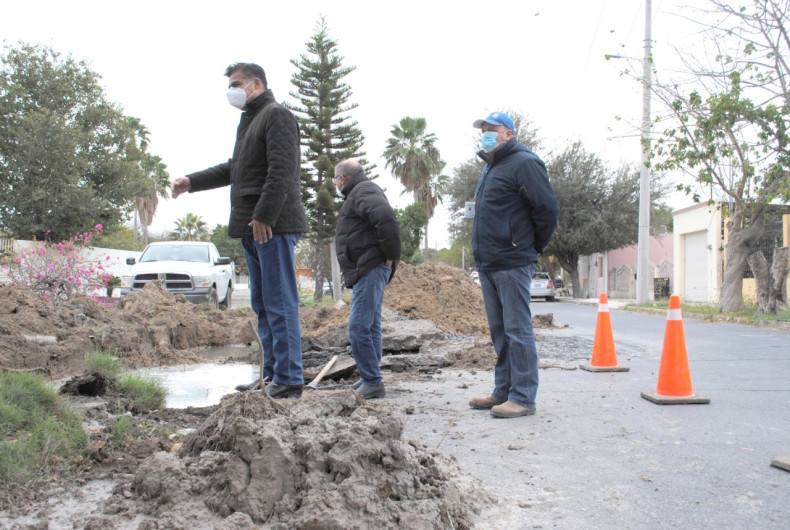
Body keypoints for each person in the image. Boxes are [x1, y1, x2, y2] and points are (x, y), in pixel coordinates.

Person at [172, 62, 308, 399]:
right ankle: (270, 374)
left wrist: (265, 215)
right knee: (262, 304)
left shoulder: (276, 115)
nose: (231, 91)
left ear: (256, 84)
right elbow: (235, 169)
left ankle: (289, 378)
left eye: (236, 84)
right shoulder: (250, 121)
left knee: (279, 302)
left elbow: (283, 170)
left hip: (271, 226)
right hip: (253, 227)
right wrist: (192, 182)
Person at [468, 112, 560, 418]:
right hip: (489, 263)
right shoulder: (491, 167)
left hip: (512, 261)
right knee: (500, 331)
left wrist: (531, 247)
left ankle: (523, 397)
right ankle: (503, 391)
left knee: (518, 331)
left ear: (508, 133)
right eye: (483, 130)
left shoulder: (525, 162)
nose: (485, 134)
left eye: (491, 129)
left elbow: (547, 209)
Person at [333, 159, 401, 399]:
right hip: (368, 266)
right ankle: (369, 377)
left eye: (336, 179)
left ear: (342, 178)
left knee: (359, 326)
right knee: (370, 325)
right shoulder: (360, 192)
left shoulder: (363, 190)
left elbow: (386, 218)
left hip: (370, 266)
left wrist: (391, 254)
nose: (336, 184)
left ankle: (372, 381)